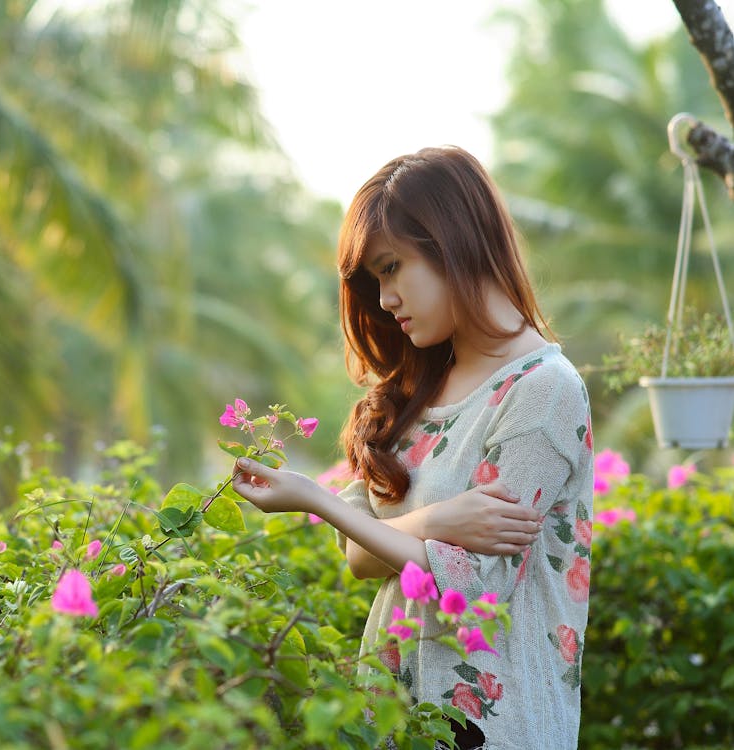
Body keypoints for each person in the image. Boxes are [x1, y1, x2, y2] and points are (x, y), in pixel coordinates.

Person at [231, 146, 593, 750]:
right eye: (375, 278)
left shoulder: (543, 392)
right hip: (396, 713)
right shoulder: (417, 392)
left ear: (454, 243)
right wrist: (438, 521)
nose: (384, 299)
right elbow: (360, 556)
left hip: (493, 728)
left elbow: (473, 589)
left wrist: (322, 503)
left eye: (392, 267)